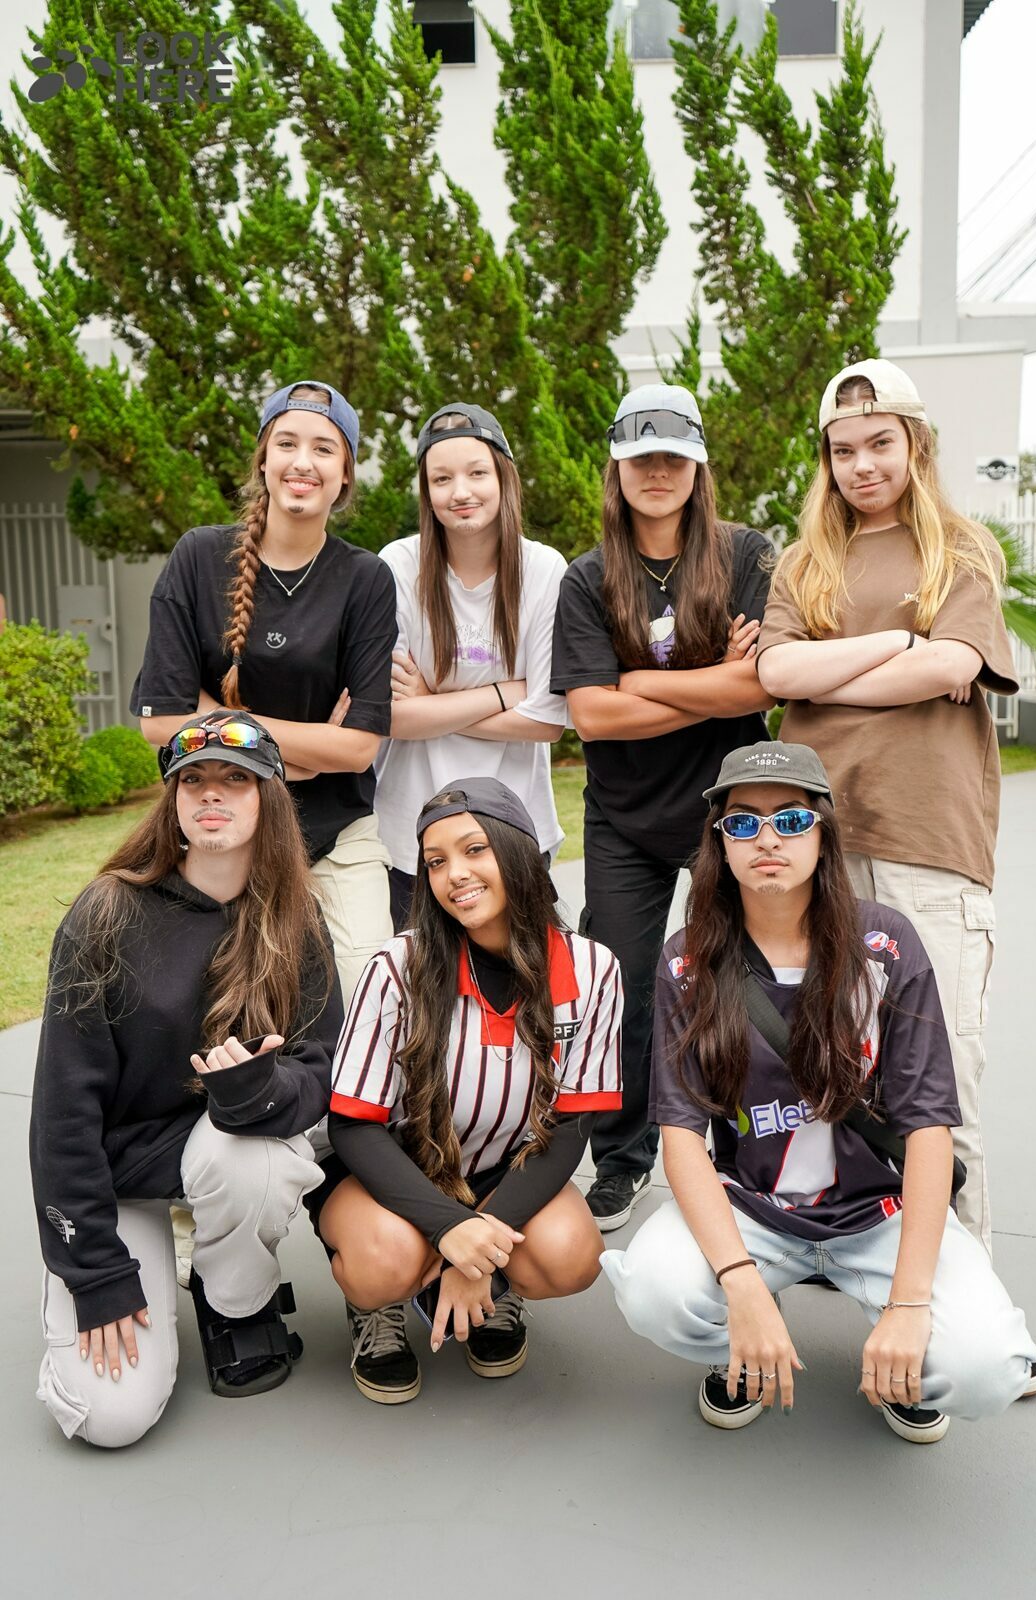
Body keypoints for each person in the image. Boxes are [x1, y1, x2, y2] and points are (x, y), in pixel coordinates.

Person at [602, 741, 1036, 1443]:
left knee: (984, 1371)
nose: (767, 838)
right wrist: (739, 1283)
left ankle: (903, 1366)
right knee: (655, 1294)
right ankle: (746, 1343)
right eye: (742, 823)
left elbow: (929, 1128)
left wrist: (909, 1305)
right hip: (753, 1208)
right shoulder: (689, 958)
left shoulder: (885, 944)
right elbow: (680, 1135)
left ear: (823, 833)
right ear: (719, 843)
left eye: (790, 819)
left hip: (879, 1213)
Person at [756, 359, 1018, 1257]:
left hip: (926, 845)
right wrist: (902, 642)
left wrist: (829, 675)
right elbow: (775, 670)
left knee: (941, 1088)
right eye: (842, 451)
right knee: (825, 1080)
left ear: (916, 445)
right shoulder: (803, 564)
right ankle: (869, 1275)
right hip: (816, 847)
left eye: (879, 444)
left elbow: (953, 666)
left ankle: (965, 1300)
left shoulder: (960, 549)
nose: (861, 465)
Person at [30, 712, 343, 1448]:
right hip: (121, 1175)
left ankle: (234, 1302)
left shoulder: (295, 916)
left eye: (236, 779)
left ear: (268, 800)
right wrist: (95, 1270)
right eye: (192, 779)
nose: (212, 793)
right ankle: (106, 1296)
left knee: (252, 1156)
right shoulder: (107, 913)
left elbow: (322, 1068)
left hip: (226, 1151)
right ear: (172, 800)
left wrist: (261, 1095)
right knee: (111, 1420)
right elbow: (62, 1112)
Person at [311, 777, 622, 1405]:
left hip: (504, 1169)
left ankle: (489, 1287)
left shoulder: (592, 968)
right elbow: (353, 1125)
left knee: (570, 1255)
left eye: (474, 849)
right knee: (384, 1262)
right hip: (391, 1175)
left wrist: (479, 1242)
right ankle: (379, 1306)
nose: (454, 874)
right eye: (435, 861)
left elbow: (570, 1126)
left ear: (518, 851)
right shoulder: (396, 967)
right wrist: (449, 1228)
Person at [550, 382, 775, 1232]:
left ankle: (754, 1155)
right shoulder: (586, 578)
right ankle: (622, 1159)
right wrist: (711, 683)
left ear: (697, 465)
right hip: (624, 815)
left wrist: (640, 682)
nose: (656, 471)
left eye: (672, 457)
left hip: (730, 805)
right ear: (615, 468)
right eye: (640, 457)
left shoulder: (746, 555)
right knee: (622, 986)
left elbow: (759, 687)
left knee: (746, 982)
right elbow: (591, 716)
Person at [132, 380, 396, 1008]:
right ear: (263, 460)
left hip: (335, 835)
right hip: (218, 832)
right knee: (211, 1007)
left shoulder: (365, 579)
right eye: (287, 443)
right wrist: (299, 754)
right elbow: (160, 721)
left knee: (371, 997)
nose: (303, 462)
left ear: (345, 475)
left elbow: (358, 749)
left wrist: (219, 719)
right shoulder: (198, 558)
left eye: (324, 449)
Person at [374, 402, 567, 933]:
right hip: (412, 836)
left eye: (477, 473)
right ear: (426, 490)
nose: (460, 492)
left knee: (521, 979)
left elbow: (548, 720)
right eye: (442, 479)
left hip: (515, 829)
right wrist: (506, 692)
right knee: (422, 980)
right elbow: (391, 716)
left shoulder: (543, 569)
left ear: (503, 478)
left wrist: (432, 703)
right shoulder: (398, 566)